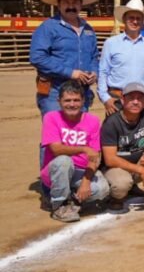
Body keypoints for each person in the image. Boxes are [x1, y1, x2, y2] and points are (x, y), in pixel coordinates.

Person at [40, 81, 109, 222]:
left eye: (76, 100)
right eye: (67, 100)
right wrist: (83, 148)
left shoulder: (93, 121)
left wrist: (85, 182)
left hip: (81, 171)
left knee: (102, 190)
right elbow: (56, 149)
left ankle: (73, 199)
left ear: (83, 101)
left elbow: (94, 157)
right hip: (57, 171)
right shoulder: (51, 117)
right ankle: (59, 206)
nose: (72, 104)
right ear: (59, 101)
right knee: (64, 161)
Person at [99, 82, 144, 213]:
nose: (136, 102)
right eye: (131, 98)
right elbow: (110, 159)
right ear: (122, 99)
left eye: (140, 98)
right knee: (121, 185)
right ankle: (115, 197)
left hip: (139, 163)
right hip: (116, 168)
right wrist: (140, 170)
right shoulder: (111, 122)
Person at [30, 0, 99, 116]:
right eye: (67, 2)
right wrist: (70, 73)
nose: (71, 6)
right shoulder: (48, 27)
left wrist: (94, 73)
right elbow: (37, 57)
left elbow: (94, 56)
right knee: (56, 128)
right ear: (59, 4)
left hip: (81, 92)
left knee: (79, 129)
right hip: (54, 92)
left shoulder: (88, 29)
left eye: (75, 2)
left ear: (81, 5)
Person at [98, 0, 144, 116]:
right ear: (124, 19)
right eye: (131, 18)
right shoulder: (111, 43)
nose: (135, 21)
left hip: (141, 99)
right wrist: (105, 97)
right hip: (116, 99)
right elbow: (103, 72)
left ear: (143, 21)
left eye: (138, 18)